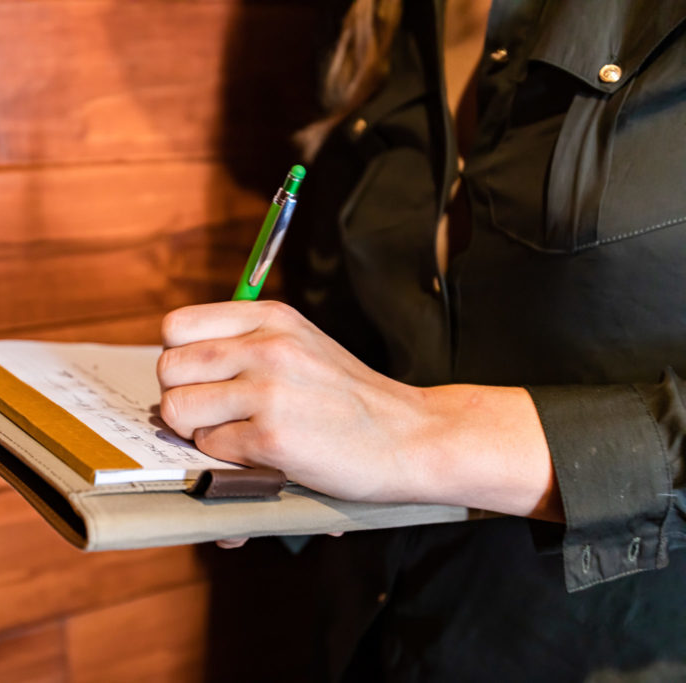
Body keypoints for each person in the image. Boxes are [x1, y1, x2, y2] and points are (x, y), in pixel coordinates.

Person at [157, 0, 686, 680]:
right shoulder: (372, 27)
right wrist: (260, 449)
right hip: (384, 636)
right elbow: (355, 345)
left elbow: (381, 419)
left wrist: (417, 435)